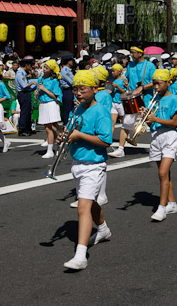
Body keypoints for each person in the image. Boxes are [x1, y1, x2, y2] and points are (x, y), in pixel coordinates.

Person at [59, 70, 113, 270]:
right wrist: (64, 137)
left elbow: (106, 140)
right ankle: (103, 229)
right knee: (89, 204)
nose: (78, 93)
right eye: (75, 89)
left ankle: (80, 255)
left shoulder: (101, 111)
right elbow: (71, 132)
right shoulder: (77, 110)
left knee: (83, 207)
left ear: (94, 89)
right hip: (78, 164)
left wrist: (79, 135)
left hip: (94, 165)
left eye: (83, 89)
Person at [143, 69, 177, 222]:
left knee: (162, 172)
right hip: (156, 136)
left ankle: (162, 207)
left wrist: (155, 119)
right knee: (164, 173)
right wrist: (145, 116)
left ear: (168, 83)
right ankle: (172, 203)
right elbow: (149, 120)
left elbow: (174, 123)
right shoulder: (153, 99)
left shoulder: (174, 99)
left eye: (159, 83)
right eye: (154, 83)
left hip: (170, 136)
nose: (155, 87)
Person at [111, 47, 154, 158]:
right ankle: (121, 149)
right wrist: (126, 82)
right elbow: (127, 78)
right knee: (126, 123)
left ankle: (156, 146)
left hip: (146, 97)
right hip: (132, 98)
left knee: (152, 123)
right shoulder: (130, 65)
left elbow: (155, 82)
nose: (131, 55)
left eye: (133, 53)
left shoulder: (149, 66)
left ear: (140, 53)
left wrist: (142, 87)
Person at [37, 59, 63, 159]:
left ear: (51, 70)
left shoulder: (54, 81)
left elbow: (55, 97)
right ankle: (61, 138)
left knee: (49, 127)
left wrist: (44, 89)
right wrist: (38, 92)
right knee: (50, 126)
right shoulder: (40, 79)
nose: (44, 69)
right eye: (44, 67)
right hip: (43, 104)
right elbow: (39, 91)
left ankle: (50, 150)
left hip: (51, 104)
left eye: (47, 68)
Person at [15, 58, 38, 136]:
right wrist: (32, 83)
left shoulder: (23, 73)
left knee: (28, 112)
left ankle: (28, 128)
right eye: (30, 65)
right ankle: (22, 129)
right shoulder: (20, 73)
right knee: (25, 112)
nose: (31, 67)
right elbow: (24, 86)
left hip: (25, 93)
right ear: (27, 65)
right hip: (23, 94)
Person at [60, 56, 75, 123]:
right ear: (68, 62)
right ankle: (66, 123)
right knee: (67, 108)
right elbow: (71, 81)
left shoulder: (69, 70)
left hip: (70, 90)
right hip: (67, 90)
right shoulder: (64, 71)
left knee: (71, 107)